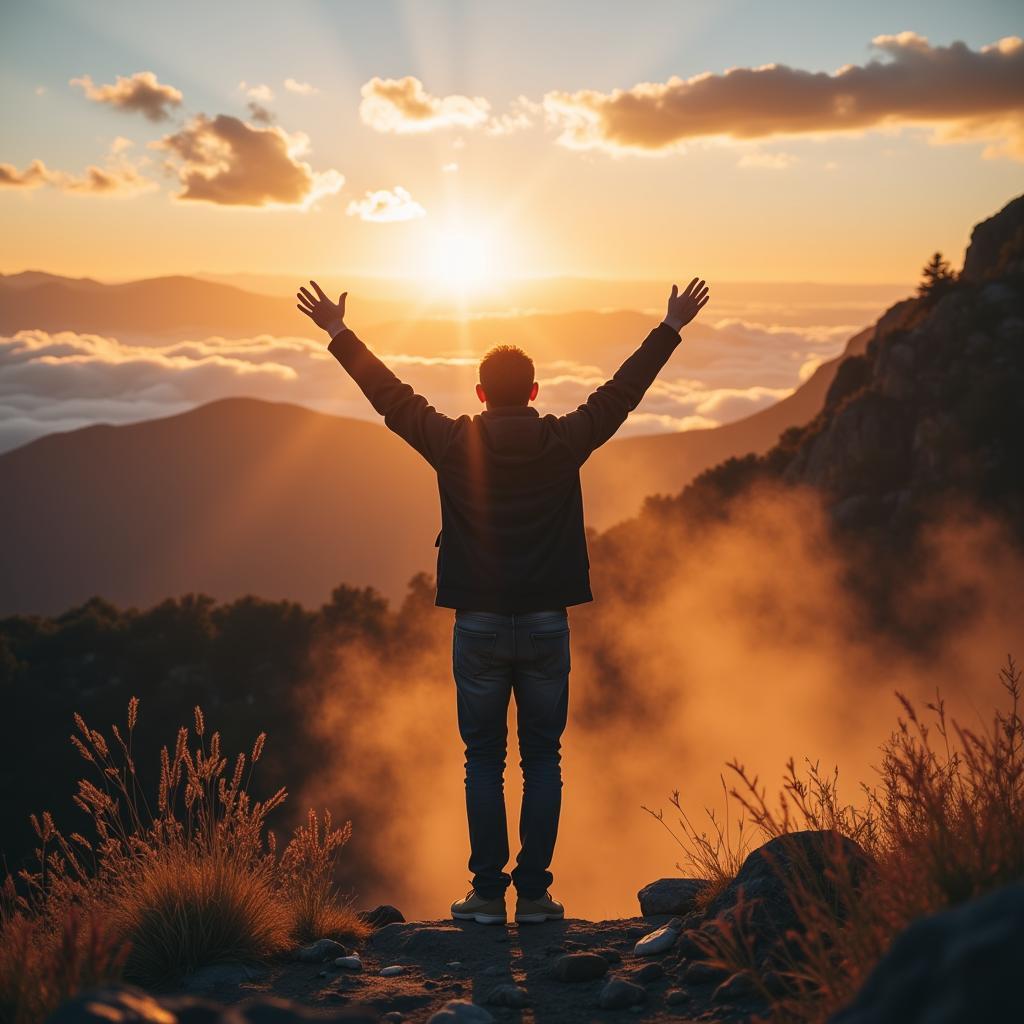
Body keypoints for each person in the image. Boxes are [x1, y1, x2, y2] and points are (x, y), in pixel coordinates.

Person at [297, 277, 710, 925]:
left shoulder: (454, 442)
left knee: (482, 760)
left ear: (481, 395)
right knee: (543, 757)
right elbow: (622, 394)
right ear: (536, 393)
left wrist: (339, 333)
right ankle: (538, 897)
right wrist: (670, 327)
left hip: (479, 626)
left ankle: (487, 896)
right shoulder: (565, 442)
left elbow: (391, 398)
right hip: (548, 624)